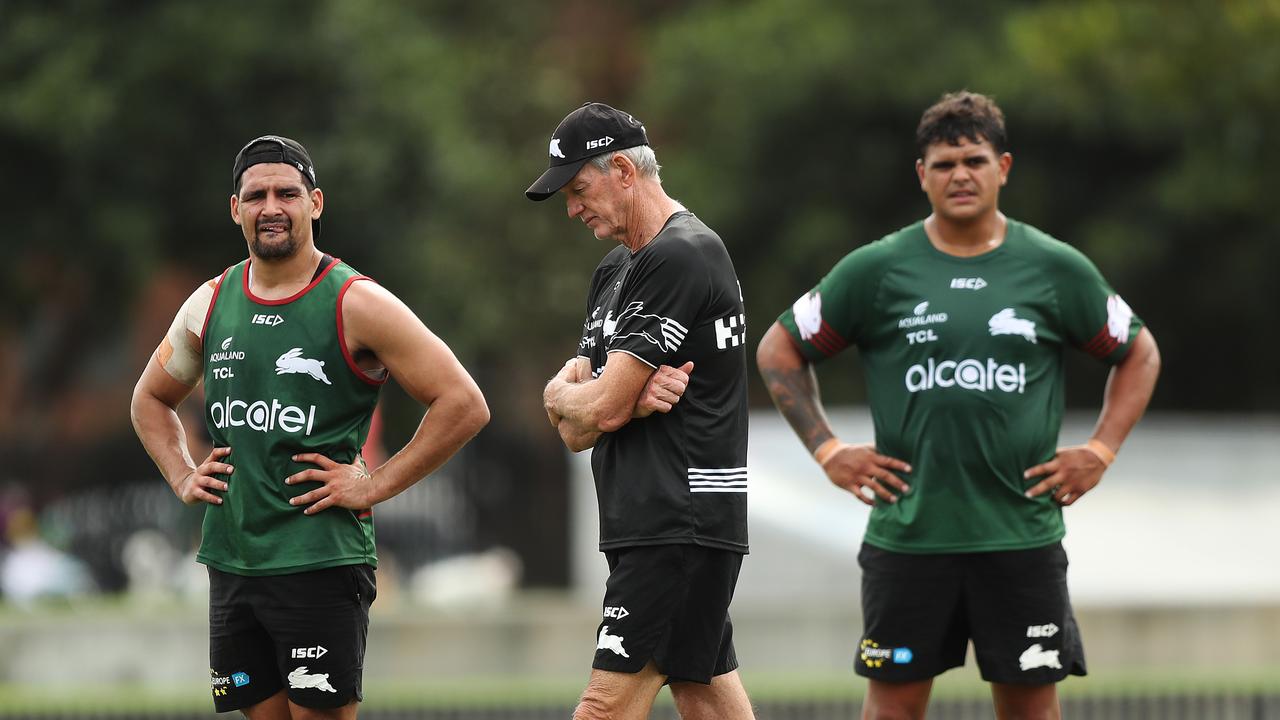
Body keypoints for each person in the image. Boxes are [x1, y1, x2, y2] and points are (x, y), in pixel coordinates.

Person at [756, 91, 1161, 720]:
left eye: (974, 160)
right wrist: (829, 450)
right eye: (943, 164)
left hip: (1020, 536)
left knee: (1030, 711)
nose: (960, 175)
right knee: (893, 708)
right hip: (909, 538)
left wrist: (1101, 451)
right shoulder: (878, 270)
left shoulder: (1053, 267)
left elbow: (1139, 353)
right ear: (922, 176)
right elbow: (779, 349)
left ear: (1004, 166)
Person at [130, 135, 489, 720]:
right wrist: (182, 473)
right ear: (236, 209)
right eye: (256, 195)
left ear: (315, 203)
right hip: (233, 562)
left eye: (287, 193)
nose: (271, 206)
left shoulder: (355, 302)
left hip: (318, 563)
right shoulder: (210, 302)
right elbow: (150, 400)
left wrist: (373, 485)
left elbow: (463, 403)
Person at [526, 103, 755, 720]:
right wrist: (594, 399)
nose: (573, 209)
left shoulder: (681, 254)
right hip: (647, 522)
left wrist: (587, 399)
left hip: (678, 521)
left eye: (579, 189)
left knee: (603, 707)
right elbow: (577, 427)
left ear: (622, 170)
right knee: (704, 693)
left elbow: (594, 410)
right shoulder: (614, 269)